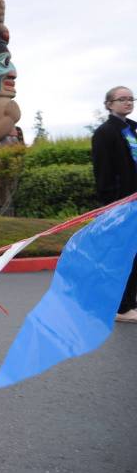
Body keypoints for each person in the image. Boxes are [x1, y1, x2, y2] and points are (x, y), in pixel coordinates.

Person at [91, 86, 137, 323]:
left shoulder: (133, 129)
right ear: (109, 104)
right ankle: (122, 307)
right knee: (124, 255)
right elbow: (104, 174)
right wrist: (112, 205)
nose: (128, 103)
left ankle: (133, 301)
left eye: (131, 99)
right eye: (122, 99)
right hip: (121, 205)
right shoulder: (105, 132)